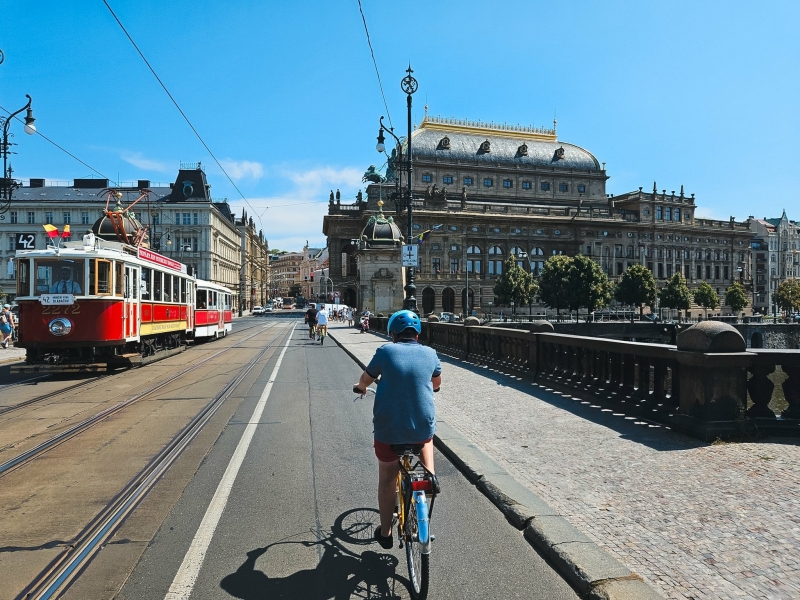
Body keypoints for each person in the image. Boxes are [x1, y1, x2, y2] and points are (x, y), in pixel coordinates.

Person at [353, 310, 442, 549]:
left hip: (388, 430)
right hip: (421, 427)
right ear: (417, 334)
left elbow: (365, 379)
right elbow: (436, 385)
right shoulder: (430, 353)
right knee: (426, 438)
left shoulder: (385, 351)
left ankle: (386, 532)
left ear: (392, 333)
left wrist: (360, 387)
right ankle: (430, 477)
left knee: (387, 480)